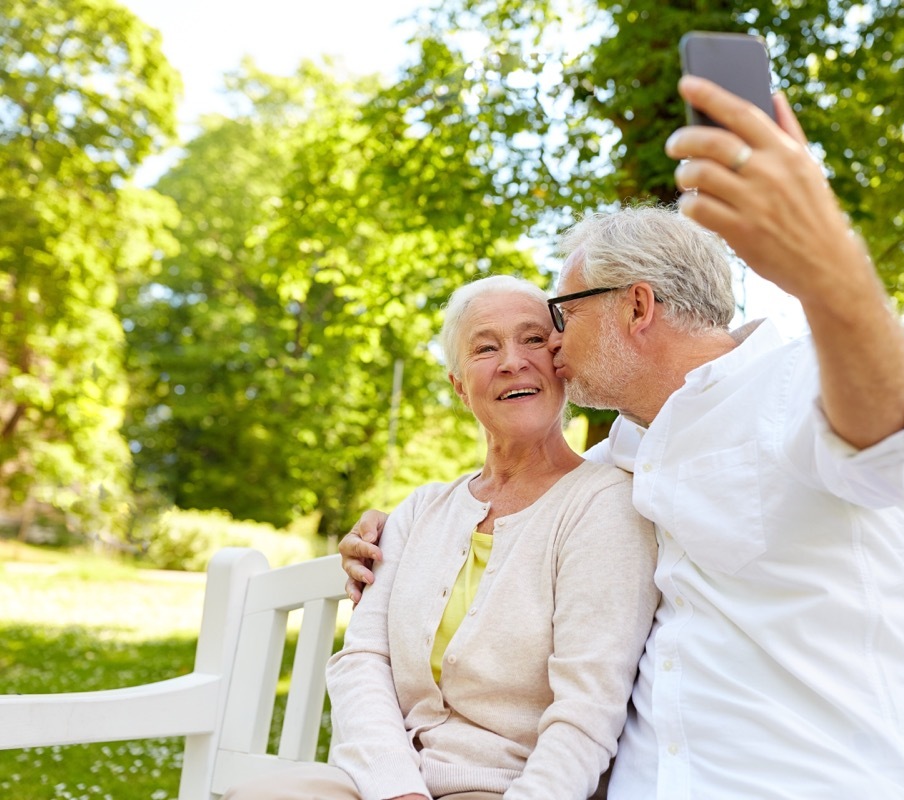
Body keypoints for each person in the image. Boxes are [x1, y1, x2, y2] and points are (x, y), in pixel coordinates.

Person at [341, 76, 904, 799]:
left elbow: (889, 429)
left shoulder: (797, 384)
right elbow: (518, 497)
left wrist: (829, 270)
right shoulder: (625, 456)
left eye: (562, 314)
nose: (550, 348)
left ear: (635, 306)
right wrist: (398, 532)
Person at [226, 276, 658, 800]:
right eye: (485, 347)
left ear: (561, 362)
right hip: (384, 784)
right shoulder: (418, 512)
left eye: (534, 340)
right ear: (458, 385)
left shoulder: (602, 505)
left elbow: (587, 711)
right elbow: (363, 662)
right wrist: (398, 789)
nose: (512, 361)